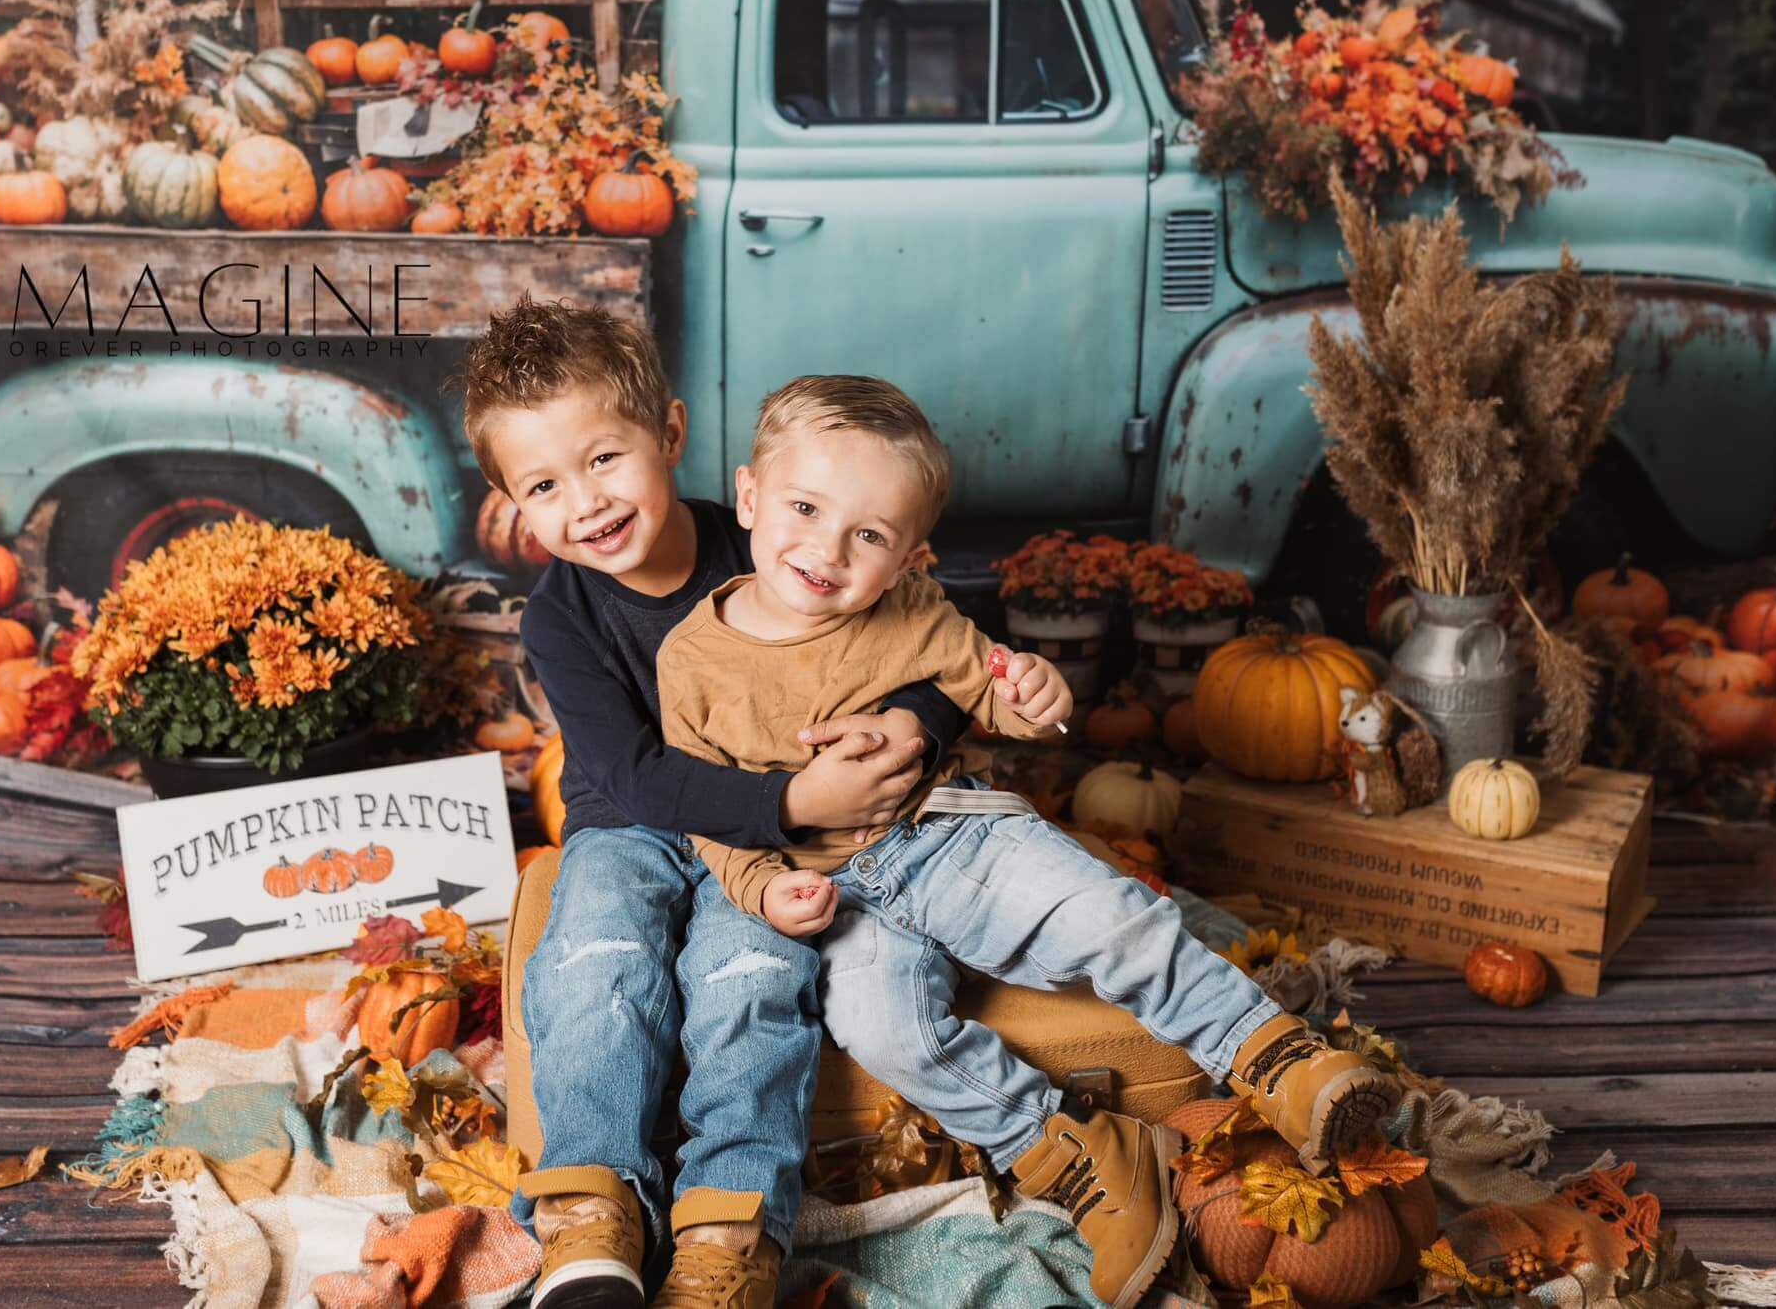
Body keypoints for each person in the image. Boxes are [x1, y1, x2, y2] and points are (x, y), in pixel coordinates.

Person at [655, 375, 1401, 1308]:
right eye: (804, 508)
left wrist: (1032, 694)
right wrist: (763, 887)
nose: (829, 550)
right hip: (838, 899)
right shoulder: (690, 660)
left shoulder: (913, 609)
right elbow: (709, 806)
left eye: (870, 536)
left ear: (909, 554)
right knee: (884, 1031)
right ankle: (1081, 1155)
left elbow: (987, 688)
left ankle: (1275, 1055)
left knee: (1107, 916)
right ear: (751, 495)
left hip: (945, 839)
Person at [462, 301, 969, 1309]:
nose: (587, 502)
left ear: (674, 435)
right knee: (596, 957)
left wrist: (917, 724)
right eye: (544, 485)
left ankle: (726, 1232)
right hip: (635, 824)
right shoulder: (560, 616)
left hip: (779, 844)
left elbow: (926, 647)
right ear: (509, 500)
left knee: (749, 977)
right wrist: (790, 797)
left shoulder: (778, 544)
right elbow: (635, 773)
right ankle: (592, 1206)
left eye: (606, 458)